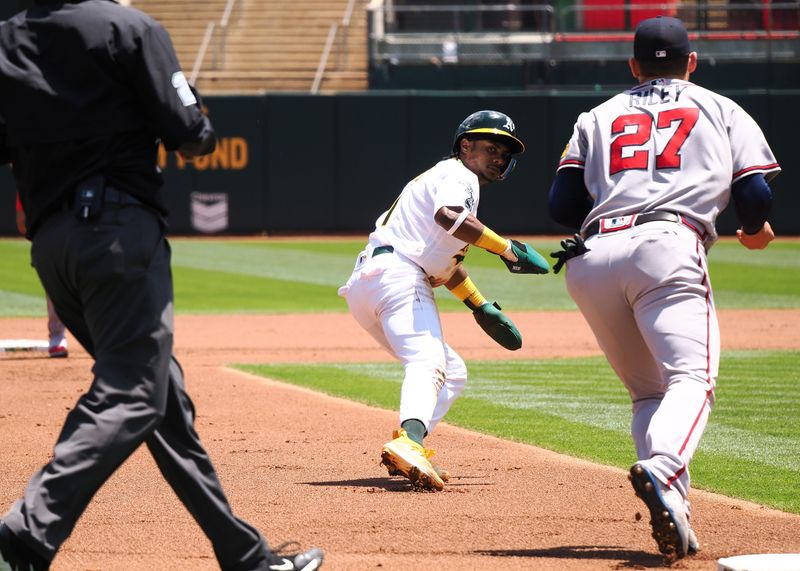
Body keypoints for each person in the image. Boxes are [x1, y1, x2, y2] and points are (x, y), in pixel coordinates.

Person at [0, 2, 324, 570]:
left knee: (162, 398)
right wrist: (189, 107)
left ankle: (245, 557)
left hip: (52, 248)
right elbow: (191, 135)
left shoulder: (6, 40)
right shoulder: (127, 27)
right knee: (132, 393)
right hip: (116, 235)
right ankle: (27, 530)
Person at [548, 16, 779, 562]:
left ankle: (673, 507)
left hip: (592, 256)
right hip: (667, 244)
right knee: (692, 380)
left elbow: (561, 205)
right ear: (692, 62)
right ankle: (663, 467)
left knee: (650, 393)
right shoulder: (720, 107)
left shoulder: (598, 115)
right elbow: (755, 192)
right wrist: (752, 229)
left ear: (631, 66)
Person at [339, 110, 550, 491]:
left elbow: (443, 265)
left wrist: (480, 305)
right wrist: (509, 250)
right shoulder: (459, 174)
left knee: (452, 372)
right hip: (399, 275)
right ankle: (408, 443)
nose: (499, 156)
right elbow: (448, 216)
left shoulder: (449, 177)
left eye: (506, 151)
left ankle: (408, 445)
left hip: (371, 283)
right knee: (427, 360)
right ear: (465, 145)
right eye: (491, 146)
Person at [15, 193, 68, 358]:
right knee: (53, 272)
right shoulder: (29, 178)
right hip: (50, 230)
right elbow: (22, 224)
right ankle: (57, 335)